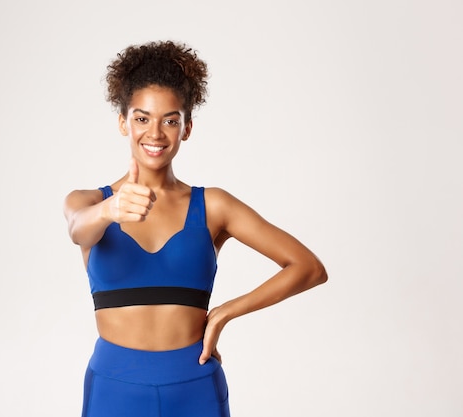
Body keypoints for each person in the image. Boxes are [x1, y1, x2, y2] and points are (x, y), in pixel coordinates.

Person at [63, 40, 328, 417]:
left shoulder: (213, 206)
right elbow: (78, 228)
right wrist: (110, 209)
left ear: (186, 127)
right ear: (123, 121)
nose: (155, 133)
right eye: (142, 118)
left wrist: (223, 313)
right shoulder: (87, 202)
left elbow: (308, 267)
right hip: (114, 385)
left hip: (194, 385)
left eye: (170, 120)